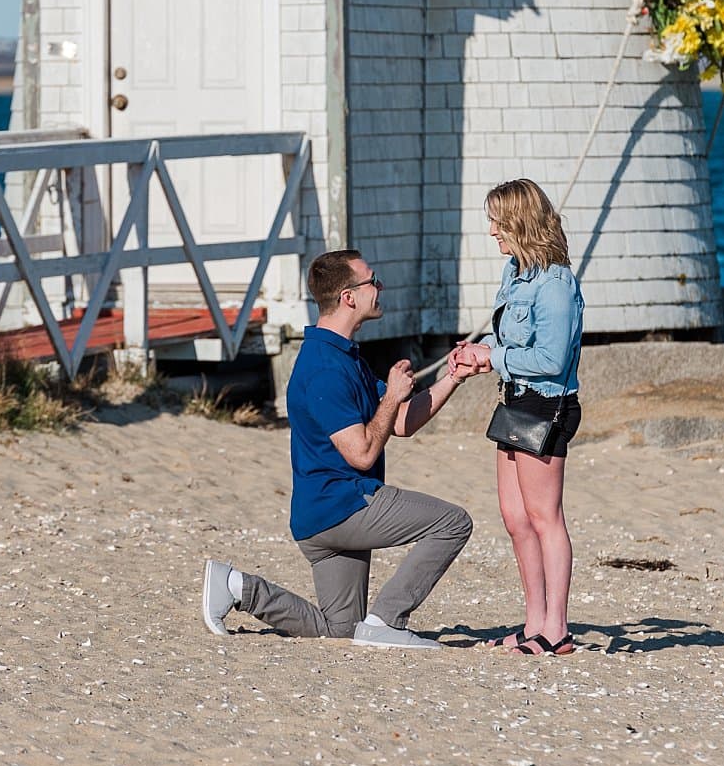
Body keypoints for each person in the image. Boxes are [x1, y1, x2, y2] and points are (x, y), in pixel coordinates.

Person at [202, 249, 473, 649]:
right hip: (344, 507)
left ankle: (239, 587)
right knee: (453, 523)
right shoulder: (325, 367)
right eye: (372, 281)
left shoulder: (344, 355)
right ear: (349, 296)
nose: (379, 288)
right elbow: (361, 454)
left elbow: (402, 421)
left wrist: (453, 377)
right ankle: (389, 620)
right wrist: (392, 395)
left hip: (321, 519)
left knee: (341, 629)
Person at [449, 179, 583, 656]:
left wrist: (493, 358)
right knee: (514, 517)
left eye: (498, 222)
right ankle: (533, 623)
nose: (492, 232)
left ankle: (557, 628)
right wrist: (481, 351)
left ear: (520, 222)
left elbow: (550, 359)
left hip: (547, 406)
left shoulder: (556, 283)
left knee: (546, 518)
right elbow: (511, 342)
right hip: (513, 402)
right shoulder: (516, 272)